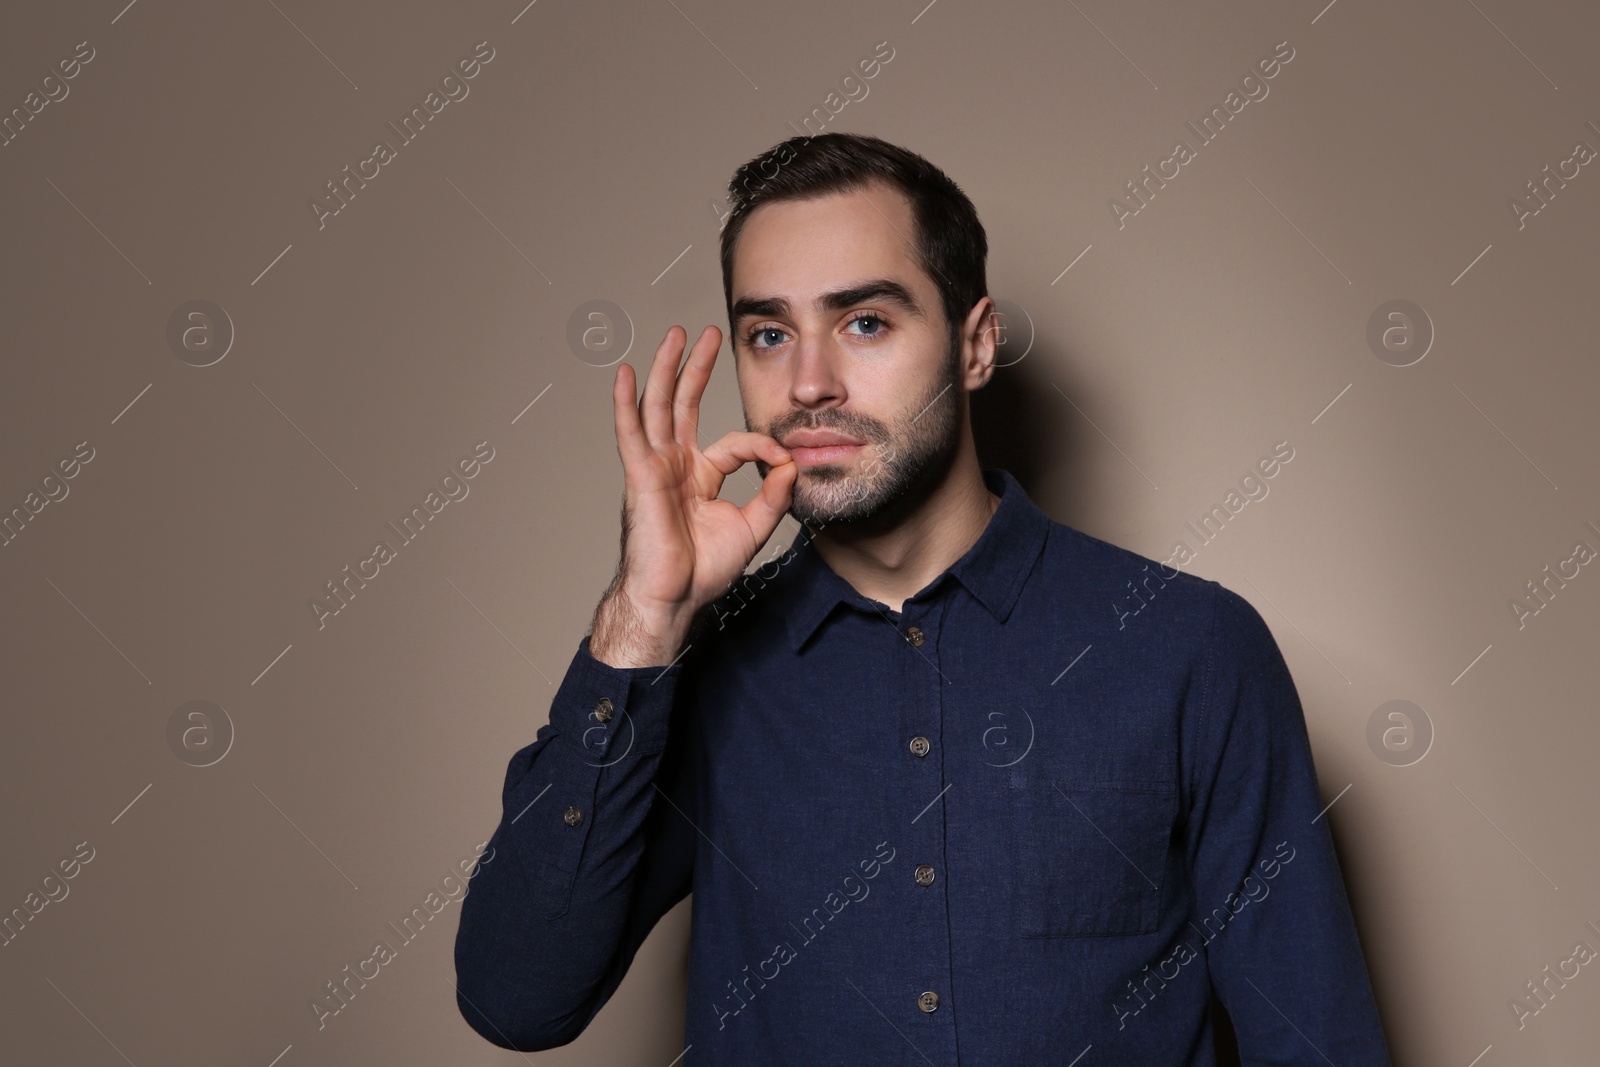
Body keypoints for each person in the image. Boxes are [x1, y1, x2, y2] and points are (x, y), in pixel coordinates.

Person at [453, 132, 1392, 1065]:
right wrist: (643, 617)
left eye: (865, 321)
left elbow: (1319, 1040)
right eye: (769, 333)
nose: (809, 383)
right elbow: (518, 998)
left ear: (976, 345)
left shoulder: (1191, 647)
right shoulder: (692, 671)